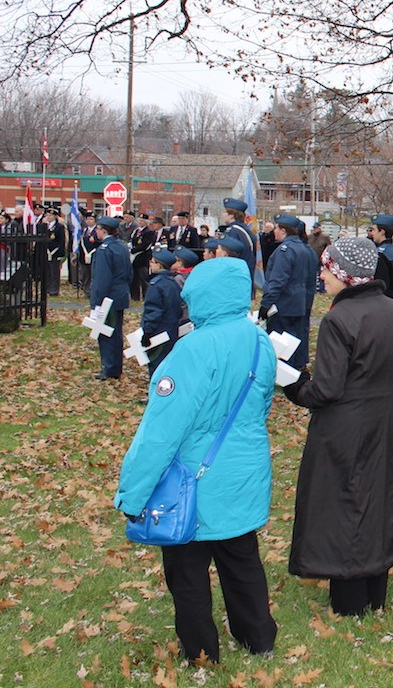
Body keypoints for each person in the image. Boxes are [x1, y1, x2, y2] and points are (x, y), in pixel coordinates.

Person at [113, 257, 278, 665]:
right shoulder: (260, 341)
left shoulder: (192, 350)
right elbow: (262, 404)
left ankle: (202, 652)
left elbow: (161, 432)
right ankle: (258, 638)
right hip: (244, 471)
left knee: (187, 573)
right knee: (242, 559)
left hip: (193, 481)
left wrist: (132, 495)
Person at [282, 236, 393, 616]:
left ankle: (350, 599)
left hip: (344, 429)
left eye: (327, 269)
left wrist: (292, 383)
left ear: (345, 274)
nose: (322, 276)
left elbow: (325, 390)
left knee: (342, 505)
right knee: (377, 502)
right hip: (386, 423)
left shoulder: (339, 319)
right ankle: (374, 590)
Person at [258, 214, 318, 370]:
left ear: (283, 230)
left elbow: (278, 280)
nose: (274, 232)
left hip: (284, 303)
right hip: (301, 301)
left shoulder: (286, 250)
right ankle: (298, 366)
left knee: (282, 340)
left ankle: (285, 371)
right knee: (297, 336)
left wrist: (266, 303)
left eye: (276, 228)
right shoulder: (306, 249)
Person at [89, 216, 132, 381]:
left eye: (98, 229)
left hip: (107, 297)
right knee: (116, 332)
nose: (96, 232)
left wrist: (97, 302)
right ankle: (115, 366)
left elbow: (101, 279)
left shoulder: (104, 249)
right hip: (120, 294)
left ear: (103, 230)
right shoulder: (121, 247)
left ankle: (110, 367)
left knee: (106, 333)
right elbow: (129, 273)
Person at [141, 248, 183, 375]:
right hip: (171, 331)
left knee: (156, 365)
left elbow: (154, 311)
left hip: (158, 333)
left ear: (159, 265)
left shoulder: (156, 285)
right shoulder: (173, 282)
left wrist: (147, 332)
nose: (150, 264)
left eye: (153, 262)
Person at [221, 198, 259, 291]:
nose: (223, 214)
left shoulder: (233, 231)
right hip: (246, 274)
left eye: (225, 212)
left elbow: (228, 255)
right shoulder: (246, 230)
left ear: (231, 216)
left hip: (235, 276)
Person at [369, 214, 393, 300]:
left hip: (382, 301)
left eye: (373, 230)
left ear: (382, 232)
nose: (371, 233)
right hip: (391, 301)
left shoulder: (380, 254)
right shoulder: (391, 250)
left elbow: (379, 284)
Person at [129, 215, 160, 301]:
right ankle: (135, 296)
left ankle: (146, 296)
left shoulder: (149, 232)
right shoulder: (136, 231)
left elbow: (146, 245)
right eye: (139, 221)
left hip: (143, 257)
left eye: (142, 221)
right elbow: (132, 241)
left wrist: (134, 250)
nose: (140, 222)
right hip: (134, 258)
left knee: (143, 277)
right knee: (134, 278)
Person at [37, 209, 67, 296]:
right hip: (45, 252)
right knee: (46, 272)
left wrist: (60, 253)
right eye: (47, 215)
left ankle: (54, 290)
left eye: (50, 215)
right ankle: (46, 288)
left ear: (55, 216)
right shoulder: (43, 226)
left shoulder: (59, 227)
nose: (48, 217)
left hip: (55, 252)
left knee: (54, 272)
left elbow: (62, 241)